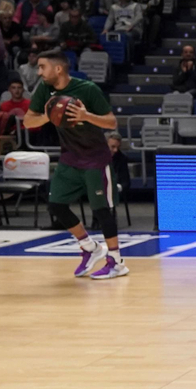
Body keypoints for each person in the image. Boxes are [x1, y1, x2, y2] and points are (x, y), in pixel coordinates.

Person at [20, 49, 128, 280]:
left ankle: (117, 262)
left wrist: (85, 116)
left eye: (42, 67)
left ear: (58, 69)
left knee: (101, 210)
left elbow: (111, 121)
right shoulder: (45, 91)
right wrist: (50, 115)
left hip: (95, 158)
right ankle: (91, 248)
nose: (39, 72)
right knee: (56, 205)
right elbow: (28, 121)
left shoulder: (87, 89)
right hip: (70, 158)